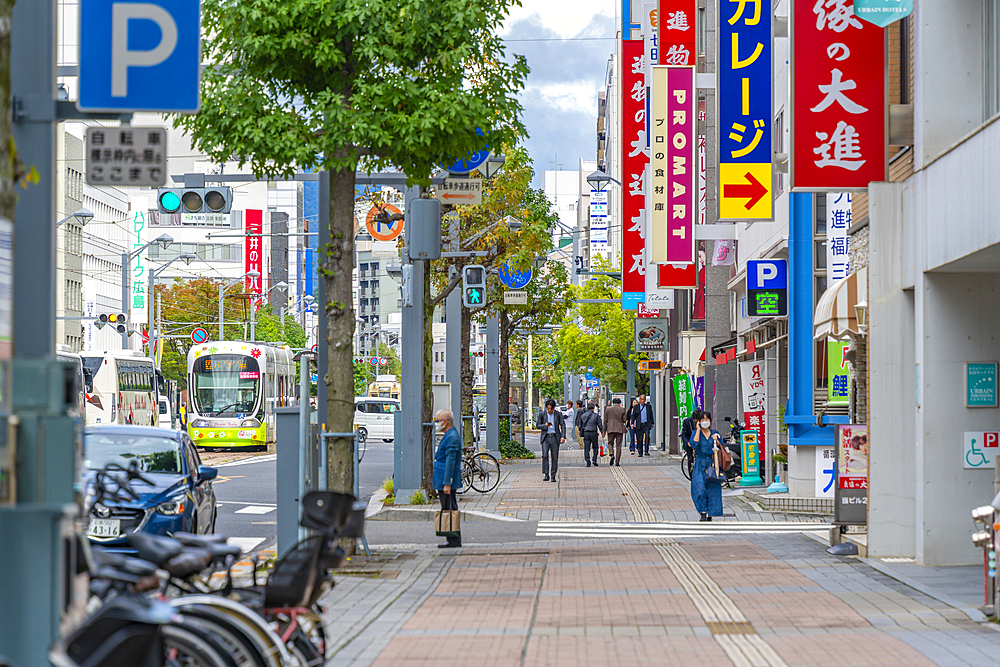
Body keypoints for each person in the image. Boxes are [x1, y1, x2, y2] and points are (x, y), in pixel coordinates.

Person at [432, 409, 462, 547]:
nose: (436, 423)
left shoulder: (451, 437)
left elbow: (450, 461)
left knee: (449, 507)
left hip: (446, 480)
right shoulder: (450, 434)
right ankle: (452, 538)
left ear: (445, 422)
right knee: (448, 507)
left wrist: (447, 483)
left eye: (438, 420)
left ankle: (453, 539)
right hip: (443, 479)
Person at [689, 411, 724, 521]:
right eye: (702, 420)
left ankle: (711, 513)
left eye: (707, 419)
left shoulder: (715, 433)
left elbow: (721, 446)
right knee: (699, 488)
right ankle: (702, 511)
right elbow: (694, 444)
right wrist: (698, 430)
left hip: (712, 464)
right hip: (700, 464)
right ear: (698, 422)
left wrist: (716, 441)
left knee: (712, 489)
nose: (705, 422)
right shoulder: (695, 433)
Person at [536, 399, 565, 482]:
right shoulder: (542, 414)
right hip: (546, 437)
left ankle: (553, 475)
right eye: (548, 408)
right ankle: (546, 474)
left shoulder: (558, 414)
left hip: (555, 437)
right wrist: (544, 425)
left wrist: (563, 436)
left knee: (554, 457)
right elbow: (538, 425)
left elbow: (563, 425)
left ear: (554, 408)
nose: (549, 410)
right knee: (545, 455)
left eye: (551, 409)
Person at [603, 397, 627, 466]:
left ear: (613, 403)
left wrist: (604, 431)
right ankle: (617, 462)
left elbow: (605, 421)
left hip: (610, 429)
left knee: (610, 443)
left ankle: (611, 454)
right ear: (619, 403)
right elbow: (624, 419)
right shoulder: (622, 409)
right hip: (619, 429)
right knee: (618, 445)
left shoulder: (607, 409)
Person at [579, 401, 603, 467]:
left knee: (586, 448)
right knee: (595, 447)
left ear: (587, 408)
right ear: (594, 408)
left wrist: (580, 431)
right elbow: (600, 425)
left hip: (586, 433)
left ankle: (587, 461)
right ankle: (594, 459)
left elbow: (580, 426)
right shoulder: (596, 416)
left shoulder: (583, 416)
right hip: (594, 432)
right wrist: (602, 432)